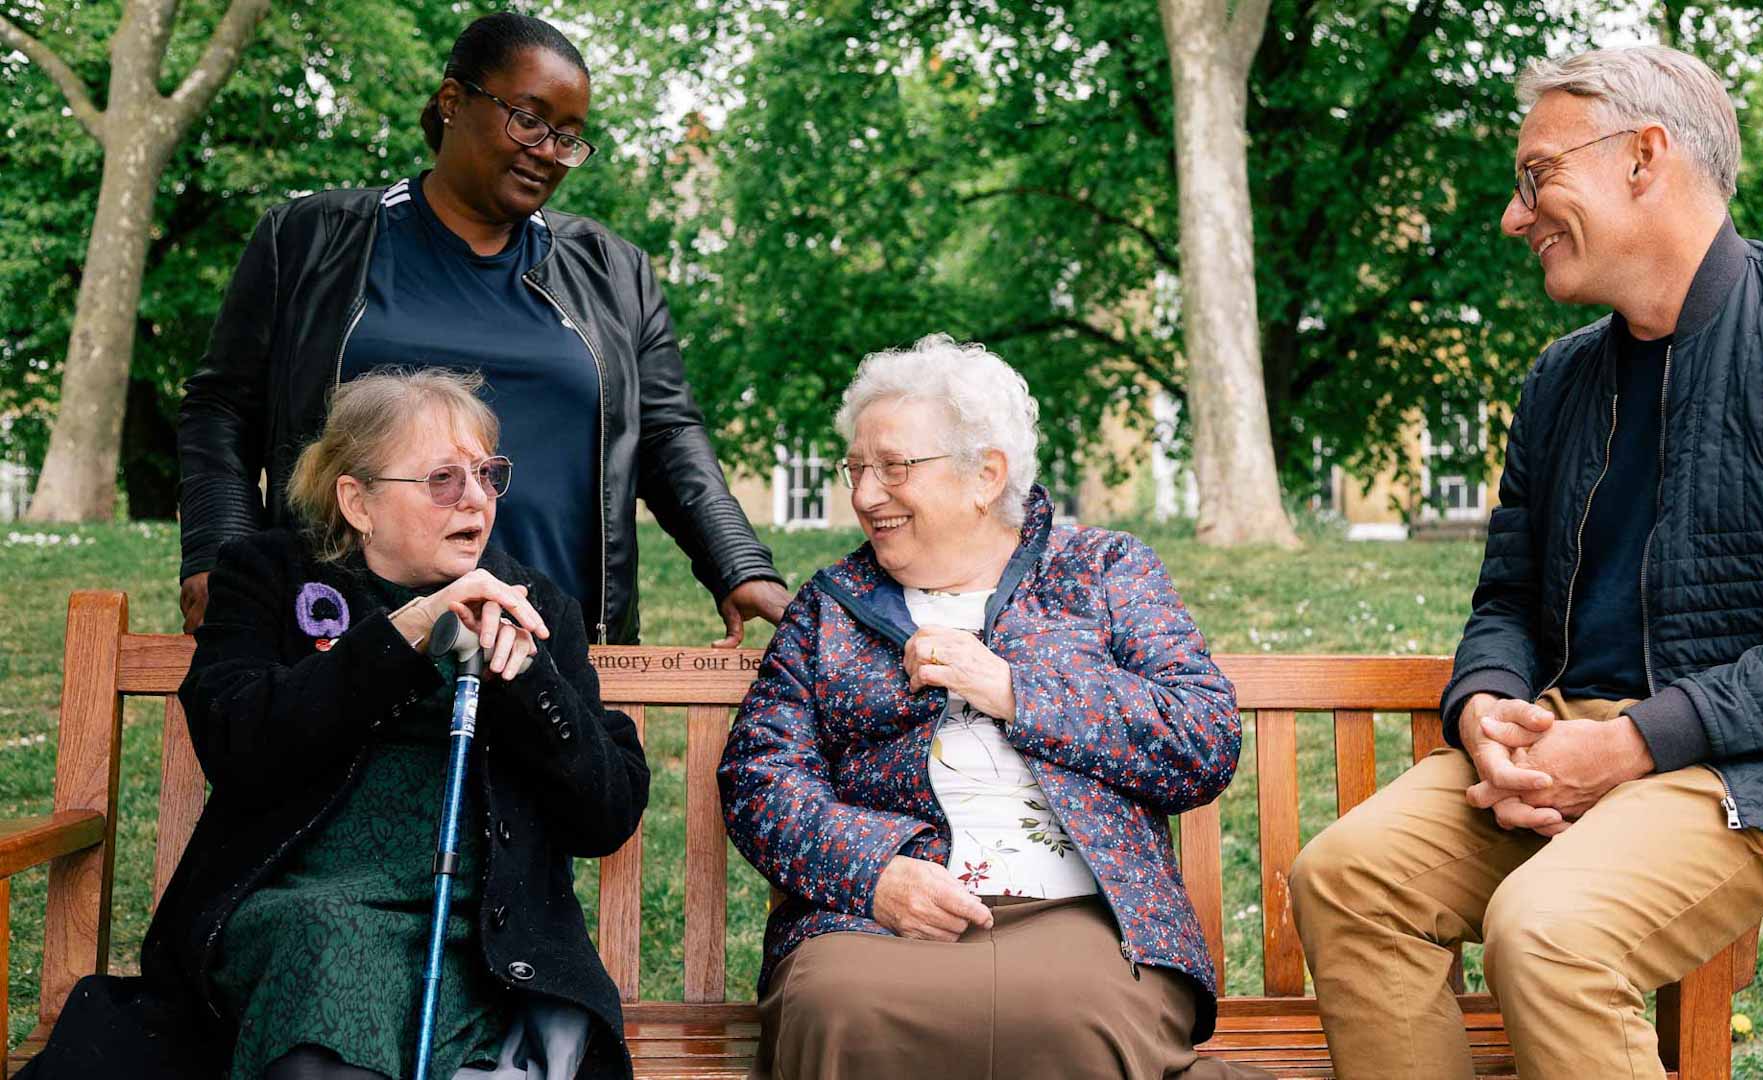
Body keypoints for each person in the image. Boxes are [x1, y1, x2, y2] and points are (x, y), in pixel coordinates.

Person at [1288, 45, 1763, 1079]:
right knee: (1348, 878)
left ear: (1644, 158)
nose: (1513, 213)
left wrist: (1636, 743)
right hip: (1574, 744)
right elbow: (1508, 600)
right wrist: (1482, 705)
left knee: (1549, 931)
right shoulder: (1560, 380)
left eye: (1536, 175)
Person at [23, 370, 649, 1080]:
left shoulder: (541, 610)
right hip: (298, 912)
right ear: (358, 501)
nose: (476, 499)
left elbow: (608, 814)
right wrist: (402, 635)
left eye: (487, 474)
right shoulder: (265, 578)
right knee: (328, 941)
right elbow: (238, 743)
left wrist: (534, 683)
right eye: (443, 478)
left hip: (475, 936)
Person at [716, 335, 1266, 1080]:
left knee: (1066, 1018)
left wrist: (1014, 689)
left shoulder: (1102, 569)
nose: (865, 494)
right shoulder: (830, 606)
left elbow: (1202, 739)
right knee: (838, 1008)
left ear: (987, 475)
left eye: (894, 468)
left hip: (1087, 915)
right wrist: (873, 871)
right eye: (856, 470)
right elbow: (761, 778)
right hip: (876, 919)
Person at [176, 11, 788, 648]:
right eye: (529, 120)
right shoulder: (309, 242)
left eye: (568, 137)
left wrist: (737, 563)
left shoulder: (615, 272)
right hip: (339, 648)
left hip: (557, 657)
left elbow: (666, 433)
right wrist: (217, 553)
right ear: (452, 103)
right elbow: (221, 410)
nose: (549, 153)